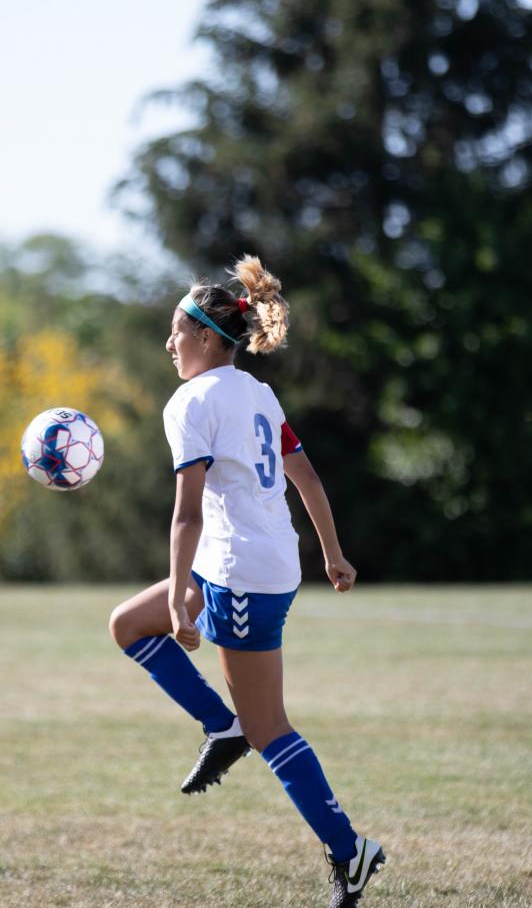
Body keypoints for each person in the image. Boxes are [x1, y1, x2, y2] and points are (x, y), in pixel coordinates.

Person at [107, 255, 386, 907]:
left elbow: (185, 511)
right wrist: (333, 554)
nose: (167, 343)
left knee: (270, 729)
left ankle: (350, 852)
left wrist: (180, 595)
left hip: (236, 576)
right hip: (264, 562)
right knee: (126, 623)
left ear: (205, 336)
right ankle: (218, 724)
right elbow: (307, 477)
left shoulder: (191, 401)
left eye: (176, 331)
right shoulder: (256, 392)